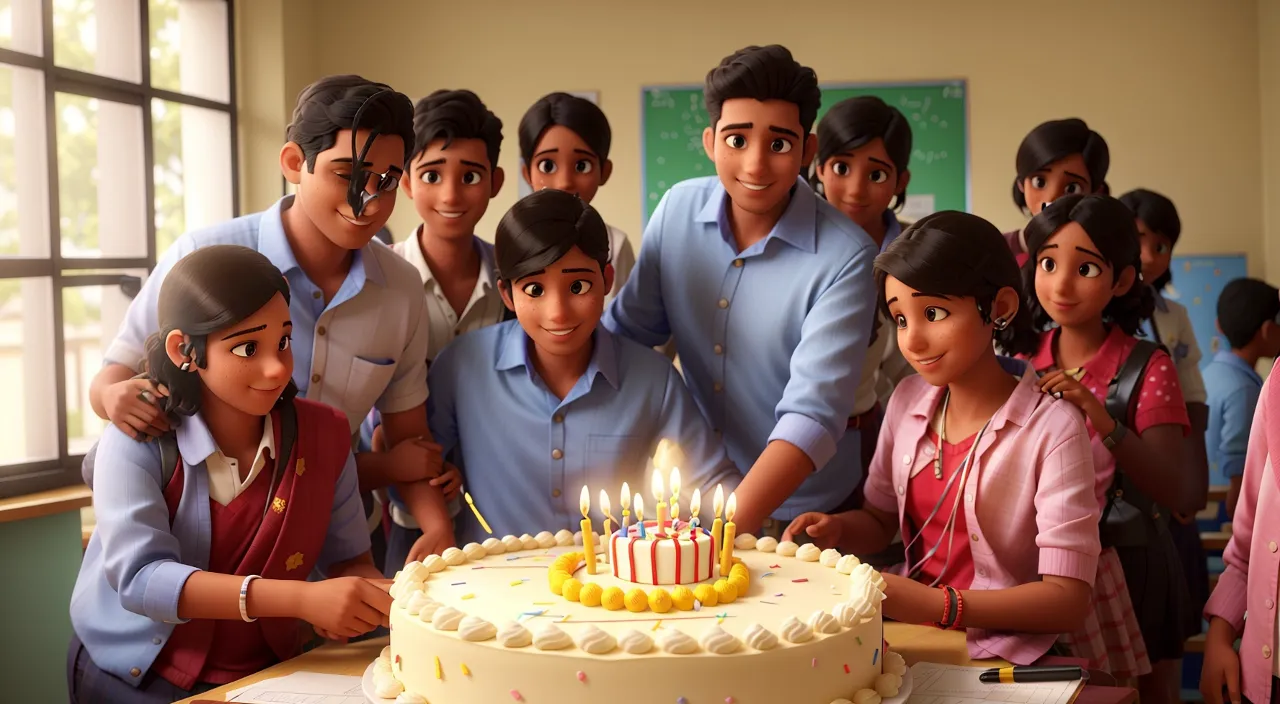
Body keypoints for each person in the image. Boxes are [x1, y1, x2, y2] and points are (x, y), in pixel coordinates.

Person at [87, 75, 456, 556]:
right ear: (294, 163)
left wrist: (436, 530)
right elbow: (112, 379)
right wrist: (114, 397)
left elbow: (411, 442)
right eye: (348, 175)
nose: (367, 201)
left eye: (385, 182)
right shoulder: (203, 255)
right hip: (202, 543)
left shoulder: (403, 289)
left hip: (337, 537)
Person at [68, 246, 391, 702]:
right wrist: (301, 601)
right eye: (246, 348)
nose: (277, 366)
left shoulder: (324, 435)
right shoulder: (137, 440)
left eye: (284, 340)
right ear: (185, 350)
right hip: (138, 676)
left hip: (270, 674)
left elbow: (350, 561)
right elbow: (141, 578)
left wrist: (385, 598)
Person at [783, 211, 1100, 664]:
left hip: (1006, 655)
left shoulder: (1054, 430)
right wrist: (837, 530)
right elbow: (879, 520)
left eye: (933, 313)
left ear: (1001, 308)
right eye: (900, 318)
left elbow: (1067, 600)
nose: (912, 341)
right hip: (905, 640)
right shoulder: (906, 401)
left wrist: (939, 605)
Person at [604, 44, 878, 535]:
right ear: (710, 141)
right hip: (693, 498)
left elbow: (812, 415)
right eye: (736, 140)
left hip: (803, 512)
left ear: (807, 151)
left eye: (778, 144)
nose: (754, 165)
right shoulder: (676, 210)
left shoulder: (847, 255)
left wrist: (725, 532)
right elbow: (628, 335)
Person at [427, 189, 741, 544]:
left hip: (611, 588)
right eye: (534, 289)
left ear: (607, 280)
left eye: (577, 286)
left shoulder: (655, 379)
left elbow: (712, 486)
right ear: (506, 294)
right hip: (490, 587)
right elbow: (422, 471)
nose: (557, 312)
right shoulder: (461, 366)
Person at [1024, 194, 1202, 702]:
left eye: (1085, 268)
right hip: (1048, 563)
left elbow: (1178, 488)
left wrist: (1101, 418)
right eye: (1048, 262)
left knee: (1148, 694)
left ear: (1121, 281)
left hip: (1134, 558)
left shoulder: (1149, 364)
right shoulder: (1021, 360)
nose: (1060, 283)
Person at [368, 89, 510, 571]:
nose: (451, 195)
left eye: (470, 176)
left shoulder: (519, 286)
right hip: (404, 506)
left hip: (500, 503)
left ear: (496, 182)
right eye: (432, 175)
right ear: (406, 182)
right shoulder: (376, 281)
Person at [1118, 186, 1210, 649]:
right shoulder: (1100, 312)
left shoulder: (1173, 315)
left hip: (1168, 470)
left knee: (1166, 623)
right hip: (1115, 474)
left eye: (1162, 245)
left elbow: (1194, 398)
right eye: (1139, 240)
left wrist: (1192, 481)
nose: (1150, 256)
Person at [811, 95, 916, 490]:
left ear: (900, 181)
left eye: (876, 174)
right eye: (841, 167)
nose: (855, 189)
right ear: (819, 168)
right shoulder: (795, 246)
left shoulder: (918, 251)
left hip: (888, 427)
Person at [1201, 309, 1280, 704]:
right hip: (1264, 672)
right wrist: (1221, 630)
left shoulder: (1223, 377)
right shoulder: (1275, 382)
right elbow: (1249, 539)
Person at [519, 92, 634, 302]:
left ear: (604, 172)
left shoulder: (616, 245)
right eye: (548, 165)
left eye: (582, 165)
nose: (564, 182)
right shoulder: (516, 240)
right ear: (527, 173)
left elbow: (623, 321)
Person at [1202, 278, 1280, 517]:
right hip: (1227, 504)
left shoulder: (1211, 372)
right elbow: (1240, 467)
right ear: (1268, 330)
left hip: (1203, 495)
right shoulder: (1244, 389)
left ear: (1219, 326)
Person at [1004, 119, 1110, 266]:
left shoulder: (1105, 254)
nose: (1051, 197)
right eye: (1039, 182)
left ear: (1095, 192)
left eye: (1072, 188)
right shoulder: (996, 249)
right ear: (1021, 184)